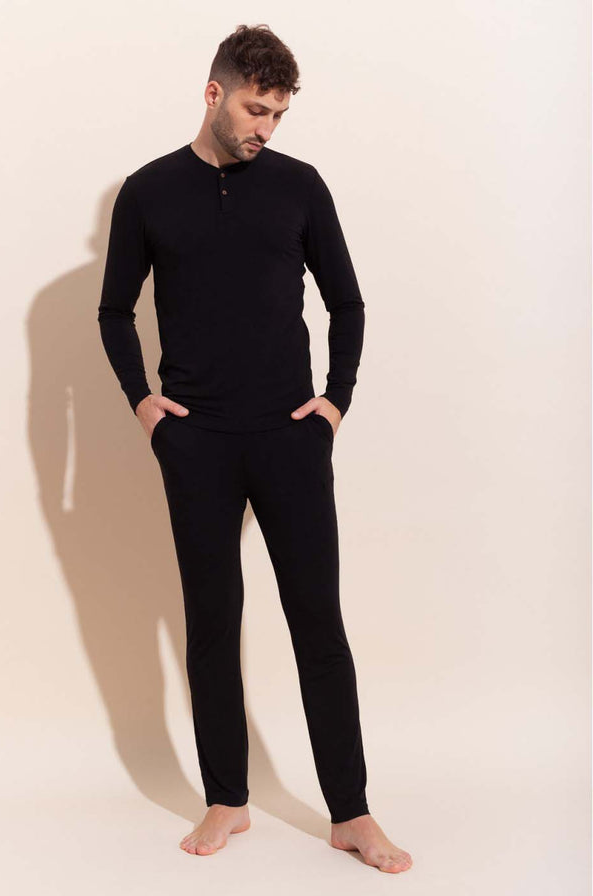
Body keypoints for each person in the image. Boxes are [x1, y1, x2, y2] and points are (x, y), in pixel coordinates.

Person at [97, 23, 412, 874]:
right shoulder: (149, 192)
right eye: (254, 109)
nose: (265, 127)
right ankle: (227, 798)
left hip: (289, 436)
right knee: (212, 622)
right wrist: (145, 406)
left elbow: (347, 302)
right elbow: (114, 310)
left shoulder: (300, 187)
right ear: (214, 93)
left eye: (277, 114)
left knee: (319, 623)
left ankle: (351, 813)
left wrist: (334, 403)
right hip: (195, 439)